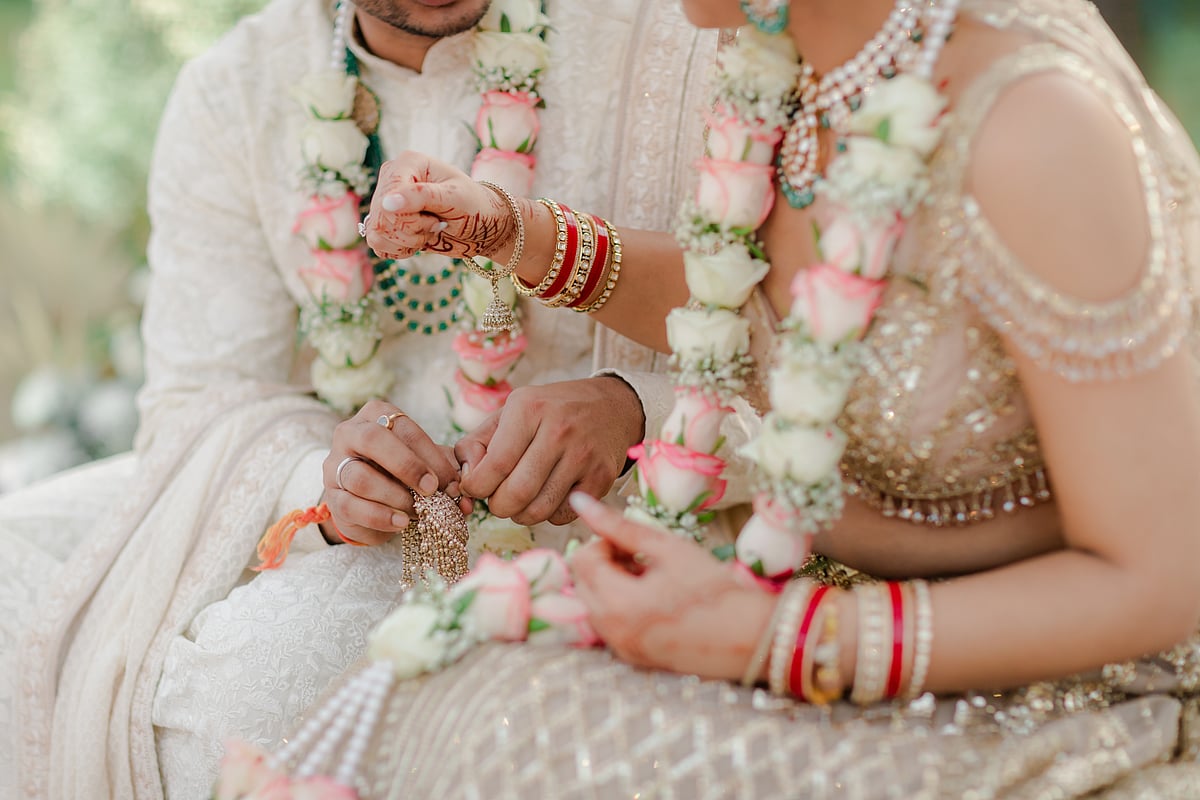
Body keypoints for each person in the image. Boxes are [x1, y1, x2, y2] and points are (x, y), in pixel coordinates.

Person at [271, 0, 1200, 796]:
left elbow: (1164, 576)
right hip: (818, 609)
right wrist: (510, 231)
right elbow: (758, 304)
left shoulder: (1036, 128)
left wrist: (782, 637)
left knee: (503, 737)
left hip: (1062, 687)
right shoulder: (794, 76)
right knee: (435, 688)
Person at [2, 0, 721, 797]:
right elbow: (198, 399)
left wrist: (636, 409)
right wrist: (327, 487)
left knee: (256, 686)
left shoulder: (677, 39)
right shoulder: (234, 93)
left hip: (637, 514)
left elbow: (804, 342)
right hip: (351, 531)